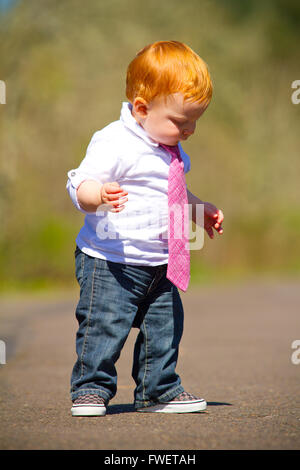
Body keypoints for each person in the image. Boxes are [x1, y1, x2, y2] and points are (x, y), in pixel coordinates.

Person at [66, 40, 224, 417]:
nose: (189, 130)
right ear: (141, 108)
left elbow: (176, 191)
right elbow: (78, 183)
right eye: (180, 122)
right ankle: (90, 389)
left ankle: (158, 390)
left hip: (161, 262)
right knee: (103, 328)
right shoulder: (115, 142)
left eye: (194, 121)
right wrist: (99, 194)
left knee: (165, 330)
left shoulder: (171, 150)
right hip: (111, 262)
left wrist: (200, 209)